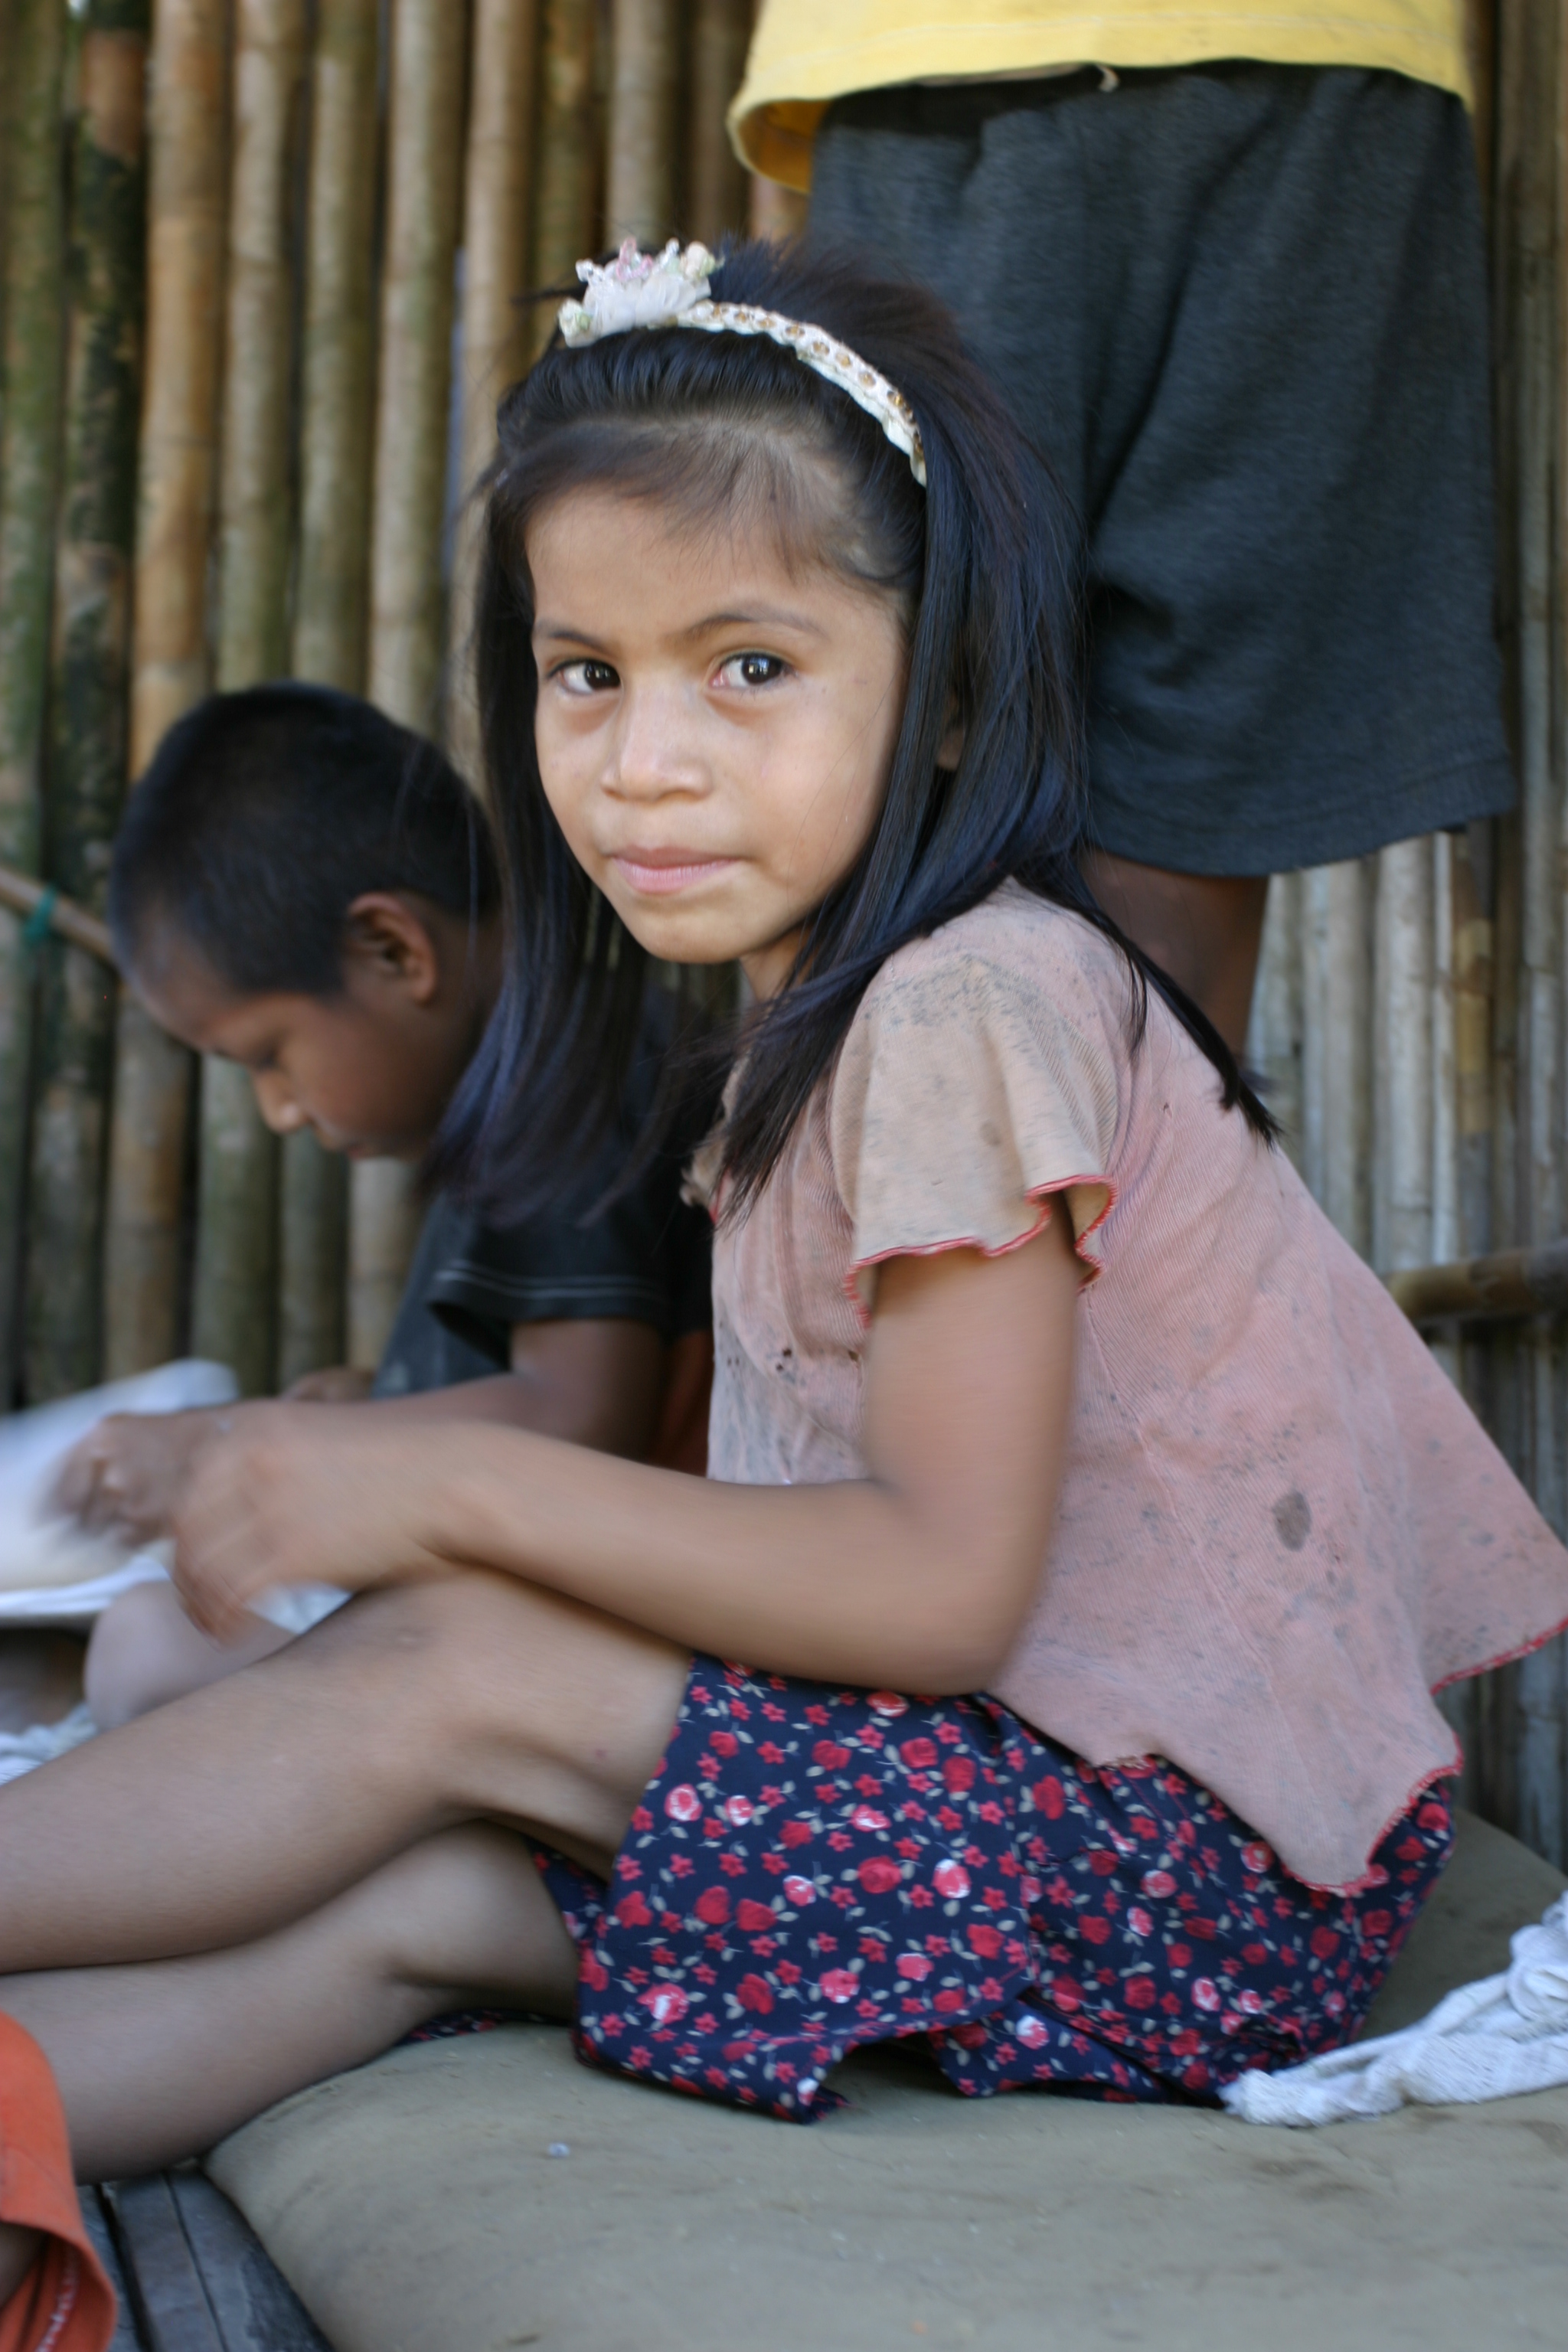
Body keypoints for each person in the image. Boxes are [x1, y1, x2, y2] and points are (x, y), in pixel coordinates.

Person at [0, 241, 1564, 2260]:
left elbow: (930, 1588)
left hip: (1185, 1888)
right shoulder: (827, 1023)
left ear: (948, 695)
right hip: (1064, 1838)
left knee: (453, 1658)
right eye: (590, 673)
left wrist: (436, 1482)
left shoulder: (970, 1004)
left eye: (751, 665)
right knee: (419, 1905)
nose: (645, 760)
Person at [727, 8, 1515, 1050]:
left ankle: (1078, 1202)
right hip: (1127, 54)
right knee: (881, 792)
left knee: (911, 791)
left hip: (1021, 54)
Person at [57, 683, 713, 1730]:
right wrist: (372, 1406)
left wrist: (233, 1445)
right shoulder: (522, 1065)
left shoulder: (566, 1071)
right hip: (504, 1627)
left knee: (145, 1649)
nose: (275, 1110)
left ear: (394, 952)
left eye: (268, 1057)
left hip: (569, 1661)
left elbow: (581, 1417)